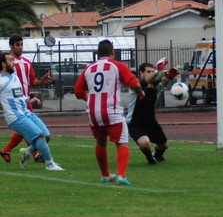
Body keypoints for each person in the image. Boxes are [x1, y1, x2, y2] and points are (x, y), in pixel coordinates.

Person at [74, 39, 145, 185]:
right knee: (122, 143)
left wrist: (90, 98)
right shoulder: (117, 65)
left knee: (100, 142)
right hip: (111, 111)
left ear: (98, 54)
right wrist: (140, 93)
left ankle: (105, 175)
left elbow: (77, 91)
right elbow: (134, 83)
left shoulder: (88, 68)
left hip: (93, 113)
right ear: (112, 52)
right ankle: (121, 176)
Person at [0, 52, 64, 171]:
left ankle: (27, 153)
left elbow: (18, 95)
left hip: (26, 112)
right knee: (39, 137)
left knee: (46, 136)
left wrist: (29, 100)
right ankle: (50, 164)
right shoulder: (1, 80)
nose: (13, 63)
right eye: (10, 60)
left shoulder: (14, 76)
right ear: (3, 64)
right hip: (15, 117)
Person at [0, 34, 52, 163]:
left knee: (31, 130)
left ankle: (10, 150)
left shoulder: (27, 63)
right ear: (11, 46)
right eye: (17, 45)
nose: (20, 47)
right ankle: (35, 154)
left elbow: (33, 81)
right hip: (14, 103)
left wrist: (42, 81)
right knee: (31, 130)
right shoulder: (6, 65)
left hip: (24, 100)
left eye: (22, 44)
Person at [126, 59, 179, 164]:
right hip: (135, 123)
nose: (151, 73)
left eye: (151, 71)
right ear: (141, 73)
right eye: (148, 72)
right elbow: (145, 82)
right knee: (145, 143)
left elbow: (162, 83)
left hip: (150, 122)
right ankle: (150, 159)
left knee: (164, 145)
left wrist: (169, 76)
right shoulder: (135, 84)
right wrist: (157, 71)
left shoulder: (154, 86)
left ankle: (158, 156)